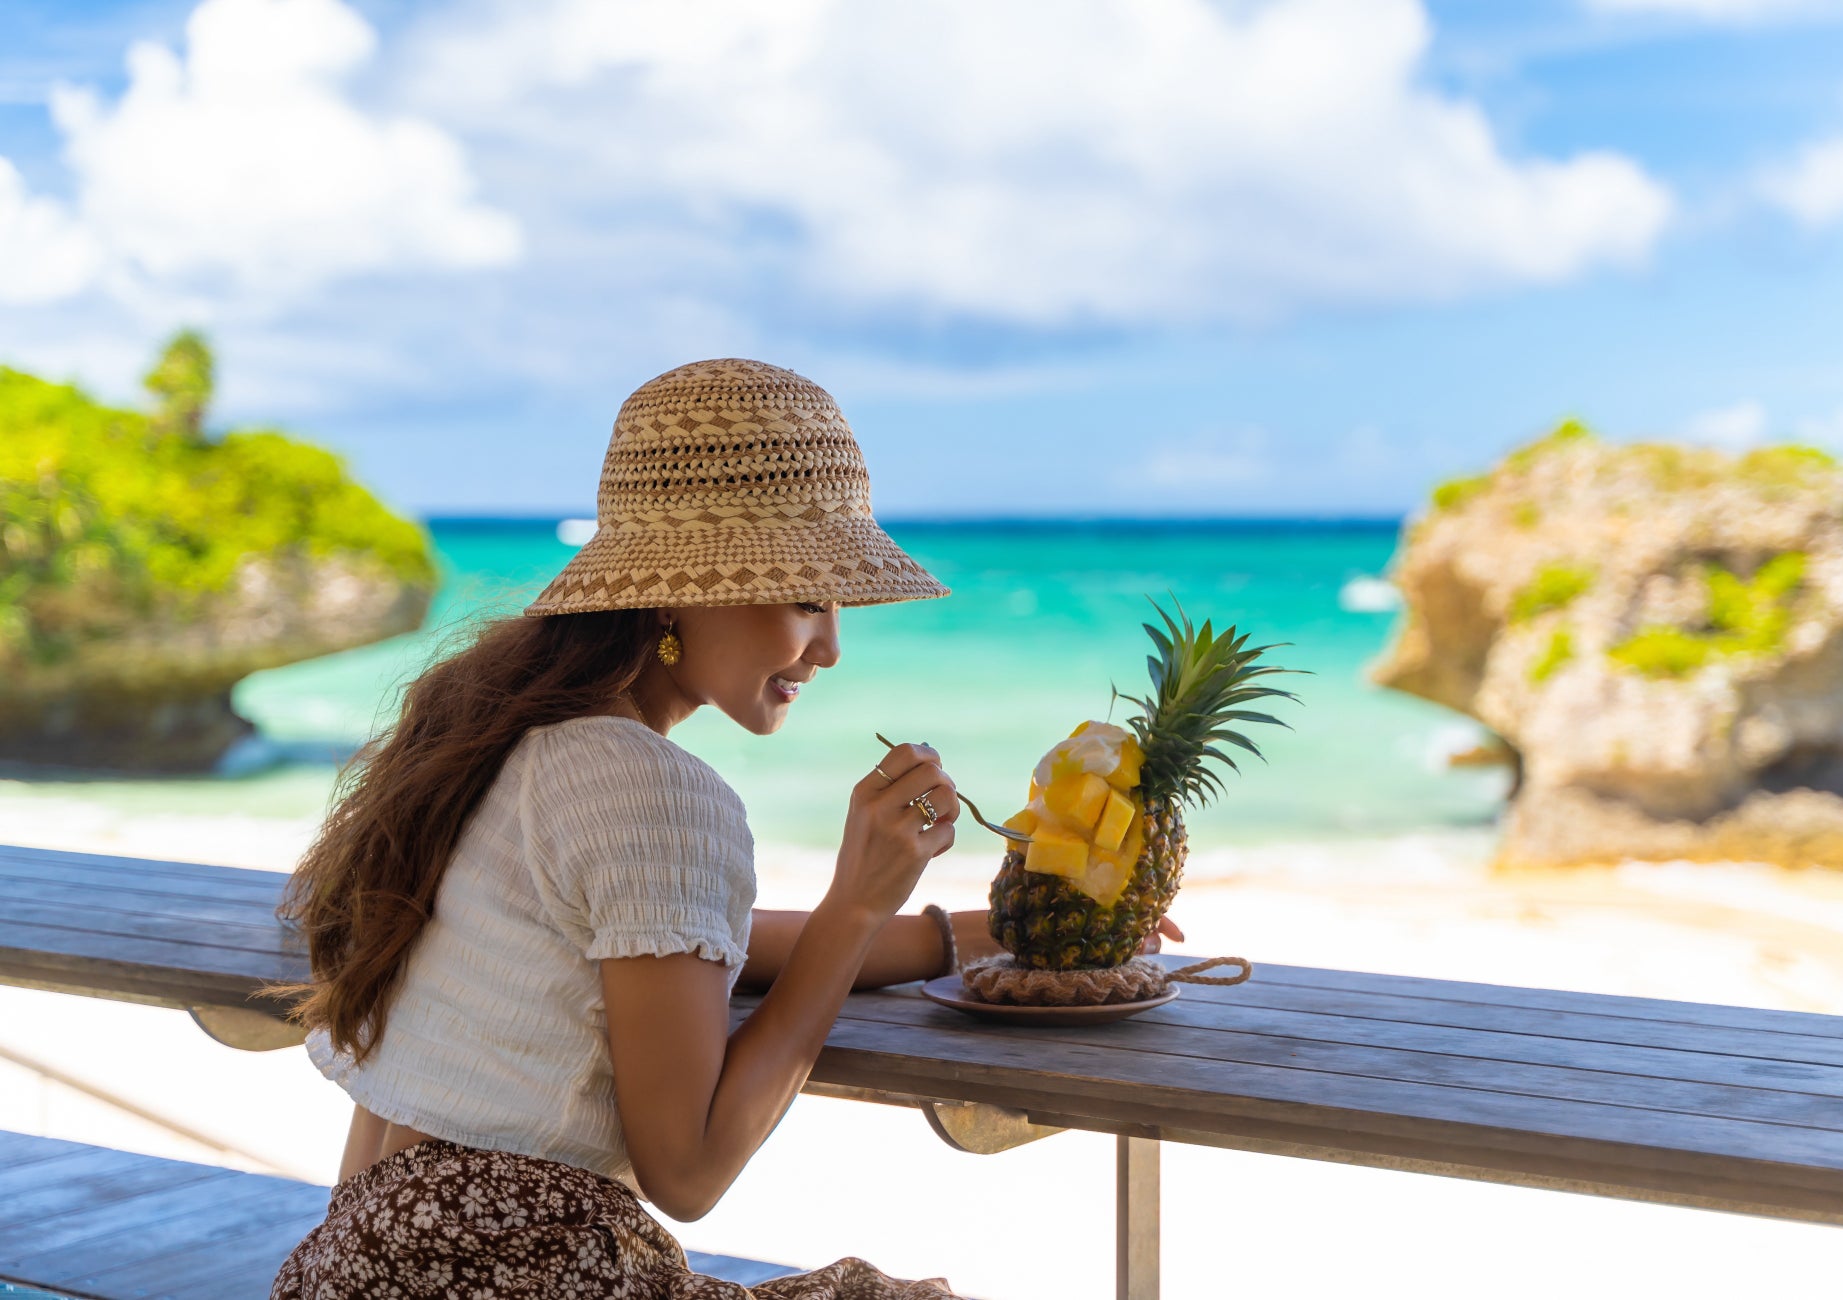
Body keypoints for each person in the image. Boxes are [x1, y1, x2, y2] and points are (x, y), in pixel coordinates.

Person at [273, 358, 1177, 1298]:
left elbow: (667, 953)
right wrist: (855, 906)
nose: (829, 648)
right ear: (681, 589)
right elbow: (690, 1171)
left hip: (362, 1264)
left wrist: (985, 938)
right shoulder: (655, 790)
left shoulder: (503, 734)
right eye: (806, 599)